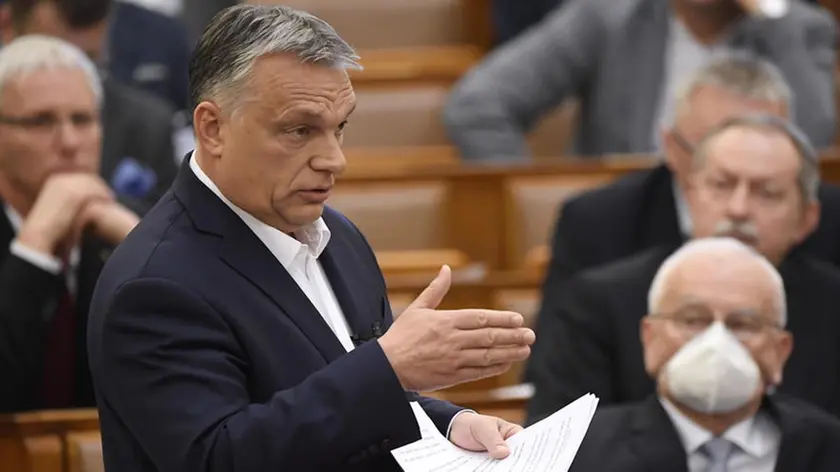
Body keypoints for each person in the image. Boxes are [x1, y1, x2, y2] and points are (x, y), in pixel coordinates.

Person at [87, 5, 536, 471]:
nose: (334, 159)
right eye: (300, 131)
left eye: (339, 128)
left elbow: (349, 401)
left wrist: (448, 424)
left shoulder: (339, 238)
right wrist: (388, 366)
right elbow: (219, 457)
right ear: (212, 128)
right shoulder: (154, 287)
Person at [525, 54, 840, 382]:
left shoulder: (829, 277)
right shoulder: (602, 285)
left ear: (807, 217)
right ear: (687, 181)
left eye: (769, 191)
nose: (739, 208)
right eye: (721, 180)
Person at [568, 237, 840, 472]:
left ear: (779, 350)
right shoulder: (578, 451)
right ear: (650, 337)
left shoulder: (828, 450)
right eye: (693, 320)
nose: (716, 343)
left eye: (742, 325)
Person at [444, 0, 838, 161]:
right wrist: (538, 200)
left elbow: (814, 142)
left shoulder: (798, 29)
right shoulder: (610, 16)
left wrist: (772, 17)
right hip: (624, 235)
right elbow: (477, 106)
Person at [0, 35, 139, 412]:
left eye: (82, 119)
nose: (70, 142)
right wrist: (35, 244)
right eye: (41, 121)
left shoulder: (137, 226)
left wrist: (142, 247)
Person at [0, 0, 180, 214]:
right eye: (41, 121)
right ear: (7, 26)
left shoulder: (146, 125)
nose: (70, 142)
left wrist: (127, 232)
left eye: (87, 61)